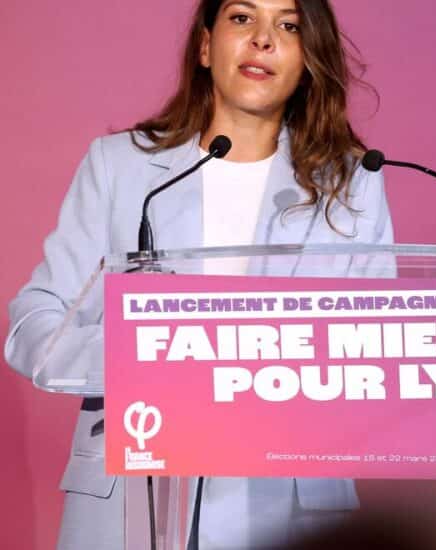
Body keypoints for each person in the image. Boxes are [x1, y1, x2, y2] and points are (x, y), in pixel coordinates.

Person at [4, 0, 392, 548]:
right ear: (206, 46)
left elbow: (377, 349)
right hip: (131, 496)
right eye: (242, 18)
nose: (263, 39)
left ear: (309, 60)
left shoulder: (351, 183)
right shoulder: (121, 166)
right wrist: (149, 357)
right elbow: (35, 325)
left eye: (288, 26)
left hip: (289, 504)